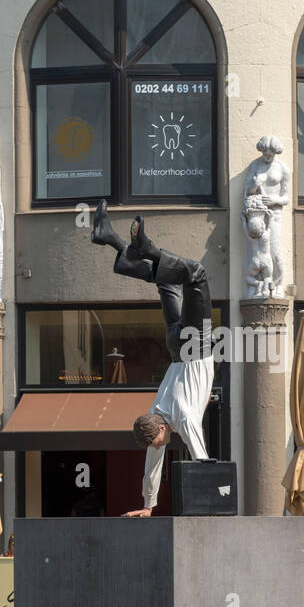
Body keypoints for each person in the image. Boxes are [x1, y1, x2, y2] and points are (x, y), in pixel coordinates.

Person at [91, 201, 213, 517]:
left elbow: (202, 461)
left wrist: (210, 491)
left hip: (195, 347)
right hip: (175, 346)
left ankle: (148, 249)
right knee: (168, 281)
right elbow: (151, 469)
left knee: (196, 275)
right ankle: (112, 240)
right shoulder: (155, 411)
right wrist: (148, 505)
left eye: (159, 443)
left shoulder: (182, 416)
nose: (161, 446)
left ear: (158, 430)